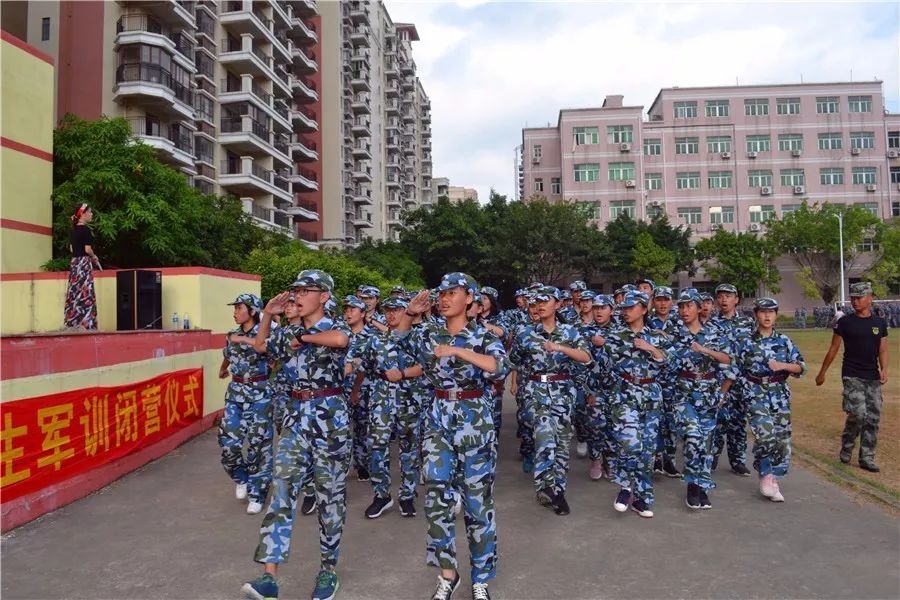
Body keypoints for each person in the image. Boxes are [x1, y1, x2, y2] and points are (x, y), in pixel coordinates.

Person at [242, 270, 350, 600]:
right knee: (282, 491)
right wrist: (267, 316)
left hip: (329, 420)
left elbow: (340, 341)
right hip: (295, 420)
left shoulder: (334, 326)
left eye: (307, 290)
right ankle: (269, 577)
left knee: (330, 497)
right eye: (296, 289)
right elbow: (261, 347)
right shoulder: (288, 330)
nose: (298, 295)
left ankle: (328, 570)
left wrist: (303, 338)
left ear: (324, 297)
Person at [404, 273, 510, 600]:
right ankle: (448, 575)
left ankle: (480, 578)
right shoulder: (430, 332)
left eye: (453, 293)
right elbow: (398, 350)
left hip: (473, 417)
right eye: (442, 293)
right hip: (438, 416)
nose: (445, 298)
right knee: (436, 496)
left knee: (478, 501)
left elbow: (499, 366)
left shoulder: (481, 334)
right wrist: (409, 316)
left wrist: (458, 351)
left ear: (470, 300)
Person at [509, 286, 592, 516]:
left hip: (563, 390)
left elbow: (586, 358)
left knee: (562, 442)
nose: (540, 305)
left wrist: (560, 348)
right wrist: (517, 382)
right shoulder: (525, 333)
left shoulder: (571, 332)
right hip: (535, 390)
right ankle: (546, 485)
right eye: (536, 302)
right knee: (544, 433)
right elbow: (513, 360)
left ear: (558, 304)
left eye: (546, 301)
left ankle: (558, 490)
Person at [599, 291, 670, 518]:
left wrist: (650, 347)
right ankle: (625, 486)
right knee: (630, 444)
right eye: (624, 308)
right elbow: (605, 363)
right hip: (625, 394)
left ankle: (641, 498)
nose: (627, 311)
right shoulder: (616, 335)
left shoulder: (657, 336)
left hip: (650, 396)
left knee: (647, 451)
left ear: (644, 308)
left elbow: (668, 362)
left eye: (632, 307)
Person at [352, 296, 423, 519]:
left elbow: (426, 366)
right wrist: (355, 389)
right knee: (376, 446)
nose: (391, 314)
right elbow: (365, 367)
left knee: (409, 448)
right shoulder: (376, 340)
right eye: (388, 310)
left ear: (407, 312)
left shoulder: (417, 337)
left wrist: (403, 374)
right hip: (381, 397)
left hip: (409, 397)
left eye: (397, 310)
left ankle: (407, 495)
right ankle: (381, 494)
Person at [733, 297, 806, 502]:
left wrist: (783, 365)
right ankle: (765, 471)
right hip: (755, 392)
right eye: (763, 312)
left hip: (779, 394)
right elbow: (734, 369)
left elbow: (801, 367)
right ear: (756, 314)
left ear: (776, 315)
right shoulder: (746, 342)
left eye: (771, 312)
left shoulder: (784, 341)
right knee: (765, 435)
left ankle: (772, 477)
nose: (767, 315)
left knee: (781, 439)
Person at [815, 282, 889, 473]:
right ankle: (847, 444)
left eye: (859, 298)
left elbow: (883, 349)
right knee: (858, 413)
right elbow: (834, 348)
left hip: (872, 375)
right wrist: (822, 372)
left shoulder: (879, 323)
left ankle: (867, 457)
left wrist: (884, 369)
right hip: (851, 374)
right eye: (853, 298)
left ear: (870, 298)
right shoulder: (845, 322)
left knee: (873, 417)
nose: (855, 302)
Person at [669, 289, 732, 509]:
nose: (684, 310)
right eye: (681, 306)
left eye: (689, 306)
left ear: (698, 307)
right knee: (693, 438)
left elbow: (728, 359)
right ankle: (692, 486)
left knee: (706, 444)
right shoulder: (673, 331)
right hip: (684, 393)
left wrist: (705, 350)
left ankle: (702, 485)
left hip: (708, 393)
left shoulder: (714, 331)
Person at [219, 294, 273, 516]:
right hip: (235, 393)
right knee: (228, 443)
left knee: (258, 446)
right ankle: (240, 477)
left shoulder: (266, 331)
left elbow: (268, 350)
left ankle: (257, 494)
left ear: (252, 311)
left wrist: (245, 340)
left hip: (259, 393)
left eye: (239, 308)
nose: (235, 312)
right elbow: (228, 355)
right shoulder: (232, 335)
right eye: (235, 308)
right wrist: (223, 368)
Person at [709, 283, 754, 476]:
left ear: (736, 299)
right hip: (719, 380)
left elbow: (753, 351)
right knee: (716, 421)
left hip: (741, 381)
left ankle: (738, 461)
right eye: (721, 296)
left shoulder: (748, 323)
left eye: (728, 296)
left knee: (738, 422)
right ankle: (712, 458)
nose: (724, 299)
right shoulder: (710, 324)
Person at [647, 286, 683, 479]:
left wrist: (666, 338)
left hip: (673, 380)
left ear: (671, 302)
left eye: (666, 299)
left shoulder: (679, 323)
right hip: (652, 380)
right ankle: (655, 458)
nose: (662, 303)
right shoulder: (647, 322)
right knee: (654, 421)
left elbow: (685, 348)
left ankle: (669, 459)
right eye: (658, 299)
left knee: (672, 421)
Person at [342, 295, 374, 483]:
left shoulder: (371, 337)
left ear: (363, 313)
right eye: (346, 309)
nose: (348, 313)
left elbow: (367, 364)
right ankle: (344, 462)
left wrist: (356, 389)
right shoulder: (340, 335)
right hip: (341, 389)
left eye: (352, 309)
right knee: (343, 428)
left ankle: (361, 464)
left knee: (362, 428)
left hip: (364, 389)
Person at [585, 294, 616, 480]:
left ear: (611, 310)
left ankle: (610, 462)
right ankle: (596, 459)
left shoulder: (620, 332)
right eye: (596, 307)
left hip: (616, 389)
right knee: (596, 426)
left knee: (613, 426)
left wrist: (608, 343)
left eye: (603, 307)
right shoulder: (584, 331)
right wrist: (588, 390)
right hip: (594, 388)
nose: (598, 311)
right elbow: (579, 364)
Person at [64, 203, 101, 330]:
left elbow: (71, 248)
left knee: (75, 292)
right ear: (83, 214)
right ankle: (87, 323)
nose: (91, 214)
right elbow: (87, 249)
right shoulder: (86, 230)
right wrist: (94, 256)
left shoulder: (73, 230)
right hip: (83, 264)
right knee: (85, 292)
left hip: (74, 264)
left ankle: (73, 321)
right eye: (90, 212)